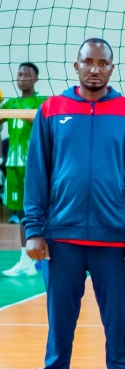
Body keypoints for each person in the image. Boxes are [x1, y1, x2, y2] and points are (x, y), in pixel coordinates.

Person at [23, 38, 125, 369]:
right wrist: (33, 229)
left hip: (114, 240)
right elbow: (37, 173)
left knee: (117, 327)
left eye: (102, 63)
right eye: (87, 62)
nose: (95, 69)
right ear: (75, 66)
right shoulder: (51, 110)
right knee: (59, 326)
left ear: (112, 68)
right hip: (61, 239)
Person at [2, 63, 47, 277]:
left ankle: (45, 257)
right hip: (13, 164)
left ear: (35, 79)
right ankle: (25, 260)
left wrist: (18, 112)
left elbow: (41, 120)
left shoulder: (42, 101)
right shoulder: (9, 103)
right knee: (21, 213)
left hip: (35, 164)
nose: (22, 77)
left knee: (39, 211)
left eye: (27, 74)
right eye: (20, 74)